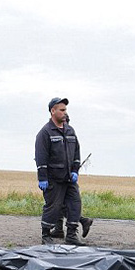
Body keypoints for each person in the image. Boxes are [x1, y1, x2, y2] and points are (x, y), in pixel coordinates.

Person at [34, 97, 91, 245]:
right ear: (53, 111)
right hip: (53, 178)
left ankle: (71, 235)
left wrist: (75, 170)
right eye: (62, 110)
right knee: (53, 206)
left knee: (74, 204)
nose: (65, 113)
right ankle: (46, 235)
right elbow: (41, 157)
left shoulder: (70, 130)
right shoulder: (45, 133)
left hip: (69, 178)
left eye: (66, 110)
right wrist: (42, 178)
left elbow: (76, 152)